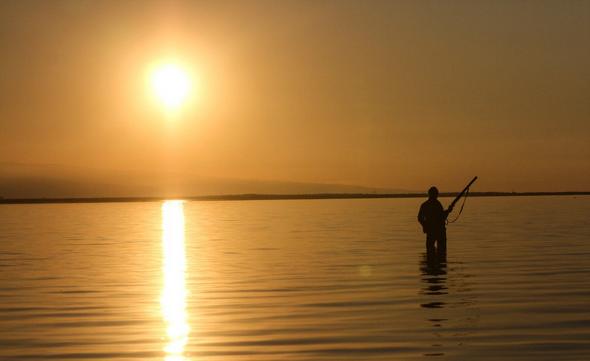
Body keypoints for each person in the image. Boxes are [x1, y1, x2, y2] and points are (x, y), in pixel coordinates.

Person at [418, 186, 453, 253]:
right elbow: (442, 217)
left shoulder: (426, 205)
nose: (436, 195)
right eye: (435, 194)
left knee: (433, 252)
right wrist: (425, 225)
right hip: (435, 231)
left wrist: (448, 211)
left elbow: (441, 216)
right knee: (439, 252)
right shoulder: (434, 204)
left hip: (436, 231)